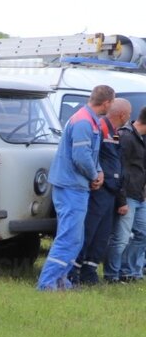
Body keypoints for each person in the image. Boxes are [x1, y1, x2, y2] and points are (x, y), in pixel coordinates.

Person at [37, 85, 114, 291]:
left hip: (76, 186)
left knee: (75, 238)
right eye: (112, 103)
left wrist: (98, 171)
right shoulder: (83, 122)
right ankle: (47, 284)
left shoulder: (89, 120)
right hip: (71, 186)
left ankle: (62, 281)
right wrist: (94, 174)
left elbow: (91, 153)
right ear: (106, 103)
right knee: (68, 237)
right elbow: (81, 156)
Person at [71, 98, 130, 284]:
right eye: (129, 114)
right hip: (99, 190)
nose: (129, 118)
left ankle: (89, 272)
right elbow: (95, 157)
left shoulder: (116, 133)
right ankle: (73, 271)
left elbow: (116, 161)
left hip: (111, 193)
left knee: (102, 236)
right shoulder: (100, 128)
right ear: (122, 115)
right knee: (89, 232)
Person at [106, 106, 146, 282]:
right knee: (121, 238)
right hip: (127, 195)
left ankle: (130, 271)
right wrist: (121, 200)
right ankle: (112, 274)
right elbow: (118, 170)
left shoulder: (142, 138)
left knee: (142, 234)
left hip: (140, 195)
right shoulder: (126, 136)